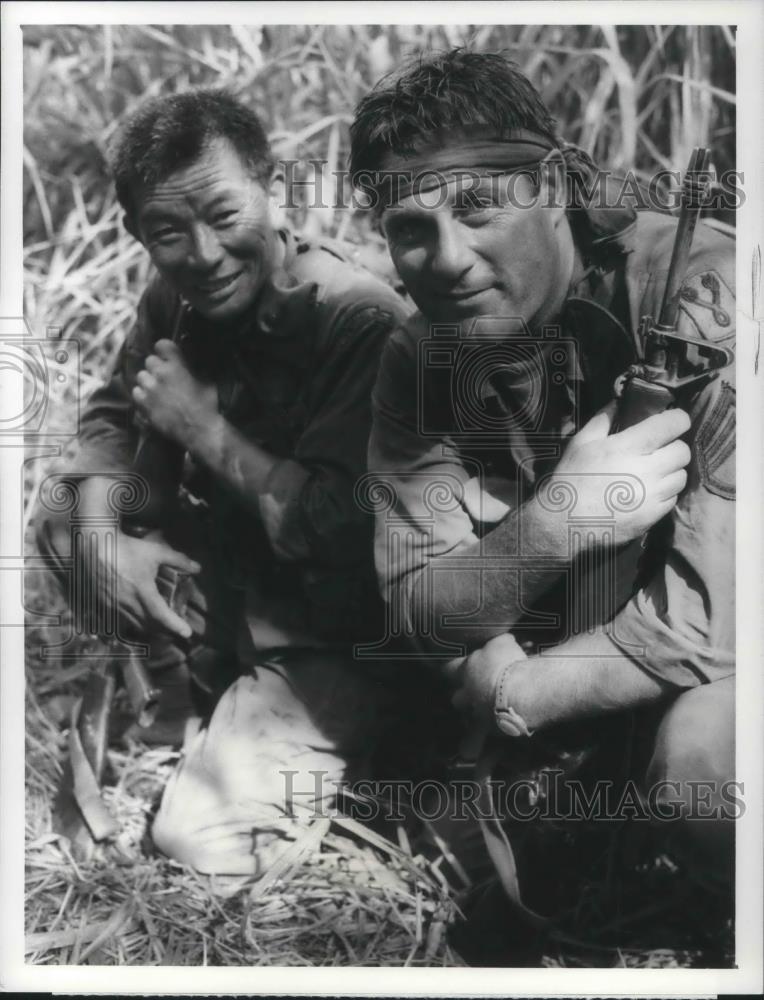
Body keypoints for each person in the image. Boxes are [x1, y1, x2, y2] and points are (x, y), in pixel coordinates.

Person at [350, 51, 736, 896]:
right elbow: (418, 604)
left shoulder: (715, 302)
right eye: (409, 230)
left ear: (557, 186)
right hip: (599, 645)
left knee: (709, 762)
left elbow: (717, 628)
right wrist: (555, 522)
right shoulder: (420, 354)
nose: (445, 260)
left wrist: (518, 692)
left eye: (479, 208)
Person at [36, 89, 410, 874]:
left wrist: (201, 428)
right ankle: (188, 702)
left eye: (223, 215)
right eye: (168, 231)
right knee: (71, 523)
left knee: (192, 841)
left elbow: (339, 531)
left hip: (336, 638)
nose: (203, 254)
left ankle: (367, 756)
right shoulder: (174, 297)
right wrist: (105, 537)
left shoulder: (358, 321)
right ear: (138, 234)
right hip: (234, 588)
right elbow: (107, 420)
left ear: (273, 188)